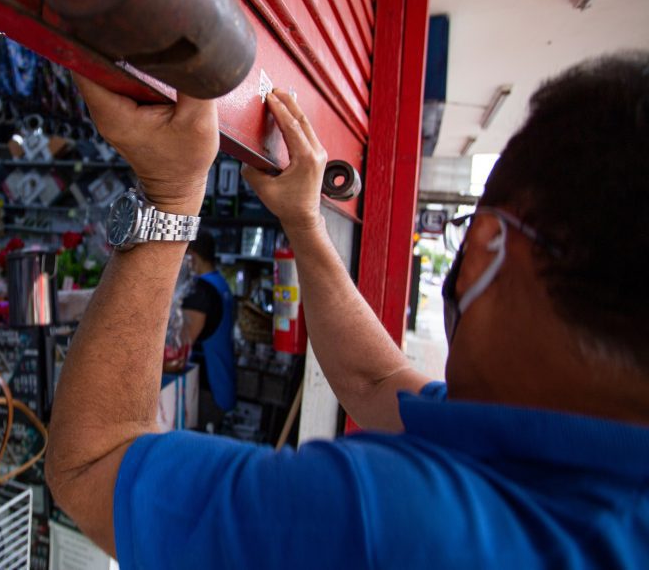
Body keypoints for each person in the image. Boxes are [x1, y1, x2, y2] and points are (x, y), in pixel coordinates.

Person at [46, 52, 649, 568]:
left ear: (487, 245)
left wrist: (171, 195)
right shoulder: (561, 449)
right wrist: (305, 223)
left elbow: (92, 461)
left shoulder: (387, 522)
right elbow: (375, 381)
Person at [181, 232, 236, 430]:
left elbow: (183, 341)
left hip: (207, 391)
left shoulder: (200, 291)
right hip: (223, 382)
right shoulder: (220, 284)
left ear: (192, 257)